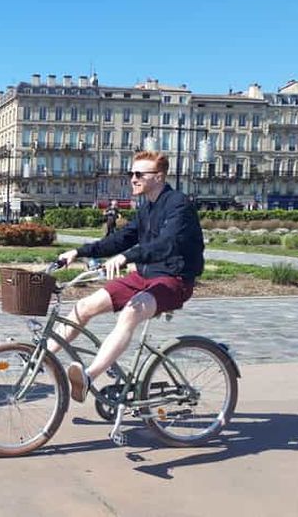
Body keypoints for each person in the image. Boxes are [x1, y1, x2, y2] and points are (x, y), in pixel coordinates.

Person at [50, 151, 204, 403]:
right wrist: (78, 252)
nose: (132, 178)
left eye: (139, 174)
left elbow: (166, 244)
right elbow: (119, 239)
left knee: (131, 312)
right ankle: (42, 360)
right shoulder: (146, 208)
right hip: (143, 277)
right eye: (131, 173)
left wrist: (127, 257)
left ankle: (88, 377)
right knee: (84, 306)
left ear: (159, 177)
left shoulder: (178, 204)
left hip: (174, 279)